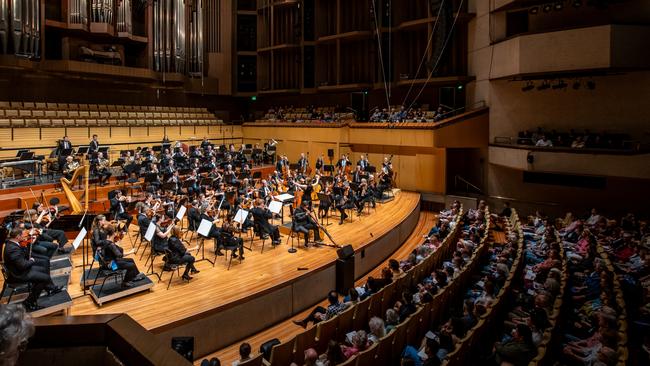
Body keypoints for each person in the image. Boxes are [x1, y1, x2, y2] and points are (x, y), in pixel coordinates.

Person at [3, 227, 63, 311]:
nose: (25, 237)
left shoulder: (13, 243)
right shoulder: (13, 249)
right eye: (23, 235)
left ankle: (48, 288)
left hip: (19, 270)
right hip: (18, 274)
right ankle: (29, 302)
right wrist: (31, 261)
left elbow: (23, 256)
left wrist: (26, 245)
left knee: (43, 268)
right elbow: (23, 265)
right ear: (17, 236)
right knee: (44, 278)